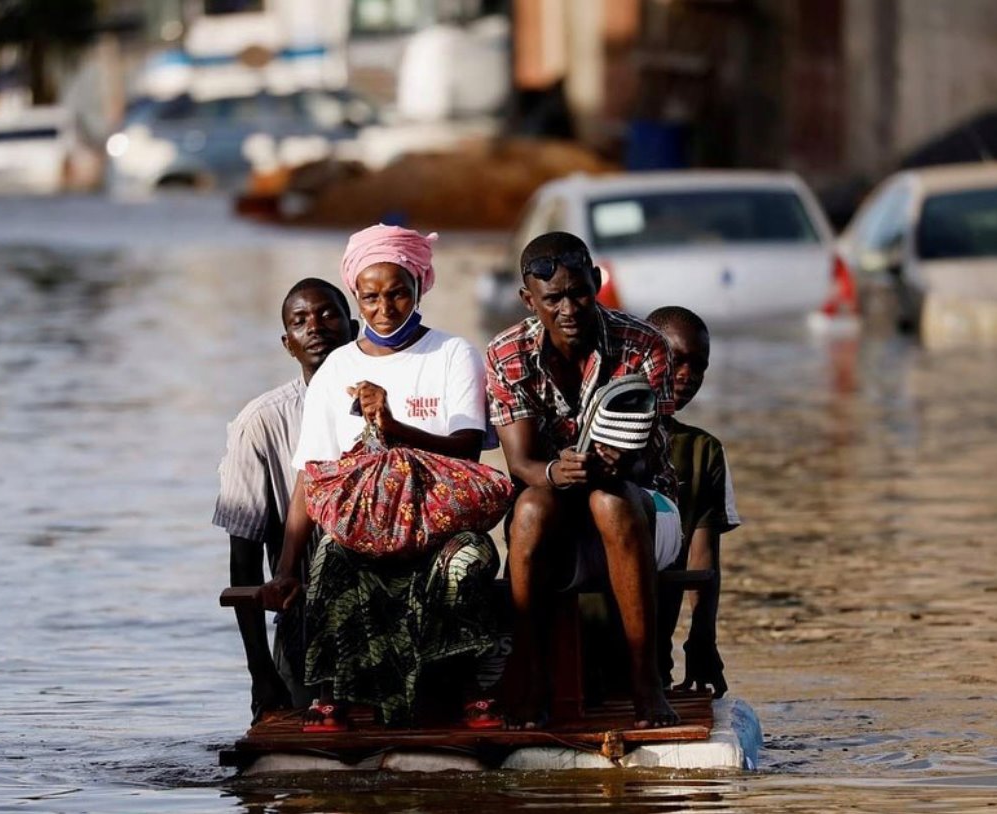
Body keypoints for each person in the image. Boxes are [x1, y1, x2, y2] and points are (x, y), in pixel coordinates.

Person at [262, 224, 501, 730]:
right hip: (366, 529)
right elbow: (313, 476)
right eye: (370, 297)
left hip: (442, 525)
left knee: (469, 560)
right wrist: (285, 568)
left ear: (419, 285)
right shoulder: (336, 370)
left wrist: (394, 429)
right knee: (331, 554)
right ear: (356, 296)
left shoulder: (453, 354)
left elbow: (466, 451)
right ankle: (334, 696)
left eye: (398, 293)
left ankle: (468, 692)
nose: (385, 308)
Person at [486, 231, 681, 729]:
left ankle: (646, 679)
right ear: (530, 300)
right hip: (552, 502)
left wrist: (618, 463)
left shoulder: (643, 345)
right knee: (531, 506)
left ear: (596, 282)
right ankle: (529, 671)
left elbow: (649, 459)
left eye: (579, 292)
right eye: (553, 299)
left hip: (642, 503)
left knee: (609, 501)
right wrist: (557, 471)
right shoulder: (506, 355)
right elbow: (522, 464)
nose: (569, 308)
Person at [213, 278, 356, 732]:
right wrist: (260, 675)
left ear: (353, 327)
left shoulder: (385, 401)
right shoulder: (262, 422)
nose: (316, 327)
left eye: (328, 314)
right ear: (287, 343)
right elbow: (243, 559)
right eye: (300, 321)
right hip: (306, 614)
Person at [645, 305, 739, 699]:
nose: (687, 376)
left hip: (655, 663)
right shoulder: (592, 437)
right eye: (677, 360)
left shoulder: (703, 451)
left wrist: (702, 640)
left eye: (698, 367)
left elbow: (705, 561)